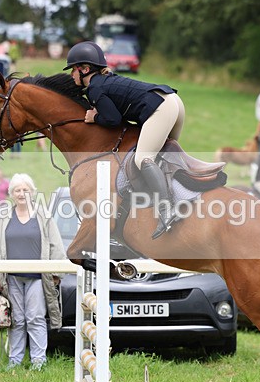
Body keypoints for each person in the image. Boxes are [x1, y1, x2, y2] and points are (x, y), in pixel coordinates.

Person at [63, 40, 184, 239]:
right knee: (164, 157)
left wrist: (95, 117)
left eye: (73, 70)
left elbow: (113, 119)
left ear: (85, 69)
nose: (71, 75)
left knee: (142, 159)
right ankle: (182, 196)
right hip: (173, 101)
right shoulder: (105, 80)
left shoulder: (94, 88)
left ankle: (167, 210)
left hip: (161, 107)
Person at [0, 174, 66, 371]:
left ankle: (39, 361)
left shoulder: (43, 216)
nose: (22, 194)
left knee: (35, 317)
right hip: (11, 278)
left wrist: (57, 272)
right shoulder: (4, 217)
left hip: (38, 278)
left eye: (25, 190)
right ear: (11, 194)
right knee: (17, 320)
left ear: (32, 192)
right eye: (17, 190)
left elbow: (56, 245)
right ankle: (15, 360)